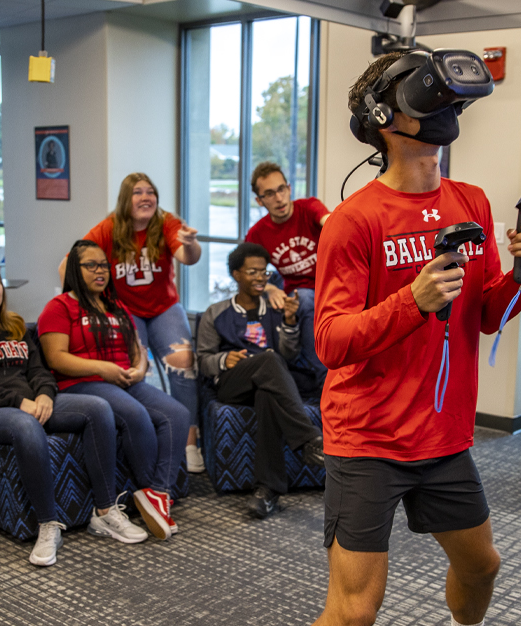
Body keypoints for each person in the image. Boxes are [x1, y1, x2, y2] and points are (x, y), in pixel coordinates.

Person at [310, 52, 521, 626]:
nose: (447, 110)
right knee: (355, 613)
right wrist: (411, 302)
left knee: (482, 568)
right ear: (384, 120)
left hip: (443, 439)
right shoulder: (355, 221)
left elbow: (490, 314)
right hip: (368, 438)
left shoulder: (470, 202)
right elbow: (329, 342)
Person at [0, 261, 147, 566]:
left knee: (98, 408)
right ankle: (48, 525)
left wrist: (46, 395)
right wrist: (17, 401)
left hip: (33, 403)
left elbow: (39, 371)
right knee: (25, 426)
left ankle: (104, 511)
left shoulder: (15, 326)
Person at [39, 240, 190, 541]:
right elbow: (57, 358)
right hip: (84, 384)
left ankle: (157, 493)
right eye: (91, 266)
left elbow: (137, 348)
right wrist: (101, 368)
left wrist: (140, 367)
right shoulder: (59, 307)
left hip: (124, 380)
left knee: (177, 413)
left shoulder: (116, 305)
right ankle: (147, 492)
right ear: (74, 270)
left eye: (104, 266)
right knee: (134, 414)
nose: (100, 271)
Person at [71, 173, 206, 473]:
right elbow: (70, 263)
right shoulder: (108, 229)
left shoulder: (166, 223)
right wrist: (94, 303)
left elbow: (188, 257)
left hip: (163, 307)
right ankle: (146, 436)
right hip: (124, 309)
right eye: (137, 192)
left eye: (150, 192)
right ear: (124, 200)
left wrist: (193, 243)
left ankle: (189, 441)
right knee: (133, 368)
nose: (145, 197)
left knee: (184, 362)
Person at [195, 242, 325, 518]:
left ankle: (267, 492)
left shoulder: (275, 308)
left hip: (269, 382)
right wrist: (222, 360)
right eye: (252, 272)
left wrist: (290, 322)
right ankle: (309, 439)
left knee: (268, 390)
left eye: (264, 273)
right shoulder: (216, 313)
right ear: (236, 275)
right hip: (233, 382)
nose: (260, 278)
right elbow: (203, 360)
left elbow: (289, 354)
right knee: (268, 359)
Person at [243, 161, 331, 378]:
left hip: (332, 283)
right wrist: (269, 288)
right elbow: (246, 272)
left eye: (281, 189)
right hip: (302, 293)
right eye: (270, 194)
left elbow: (330, 222)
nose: (279, 198)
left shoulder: (309, 208)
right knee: (307, 300)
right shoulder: (259, 233)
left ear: (289, 188)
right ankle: (322, 378)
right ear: (259, 200)